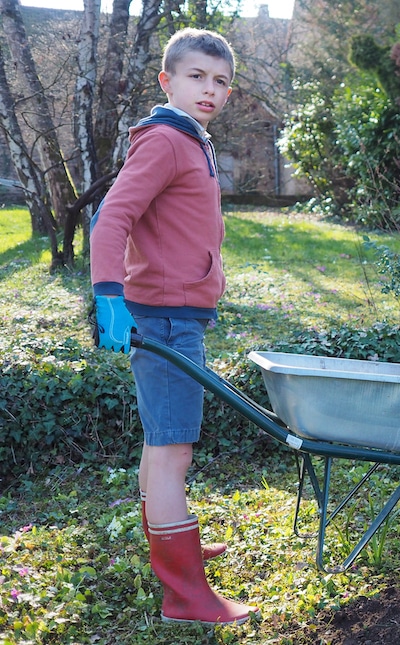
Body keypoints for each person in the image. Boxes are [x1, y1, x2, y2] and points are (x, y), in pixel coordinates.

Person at [90, 28, 258, 625]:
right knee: (173, 449)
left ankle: (170, 536)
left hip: (178, 311)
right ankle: (184, 593)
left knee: (163, 442)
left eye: (219, 82)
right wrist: (108, 295)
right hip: (161, 315)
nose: (208, 89)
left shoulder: (191, 140)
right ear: (167, 81)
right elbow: (111, 220)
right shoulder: (165, 141)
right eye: (195, 77)